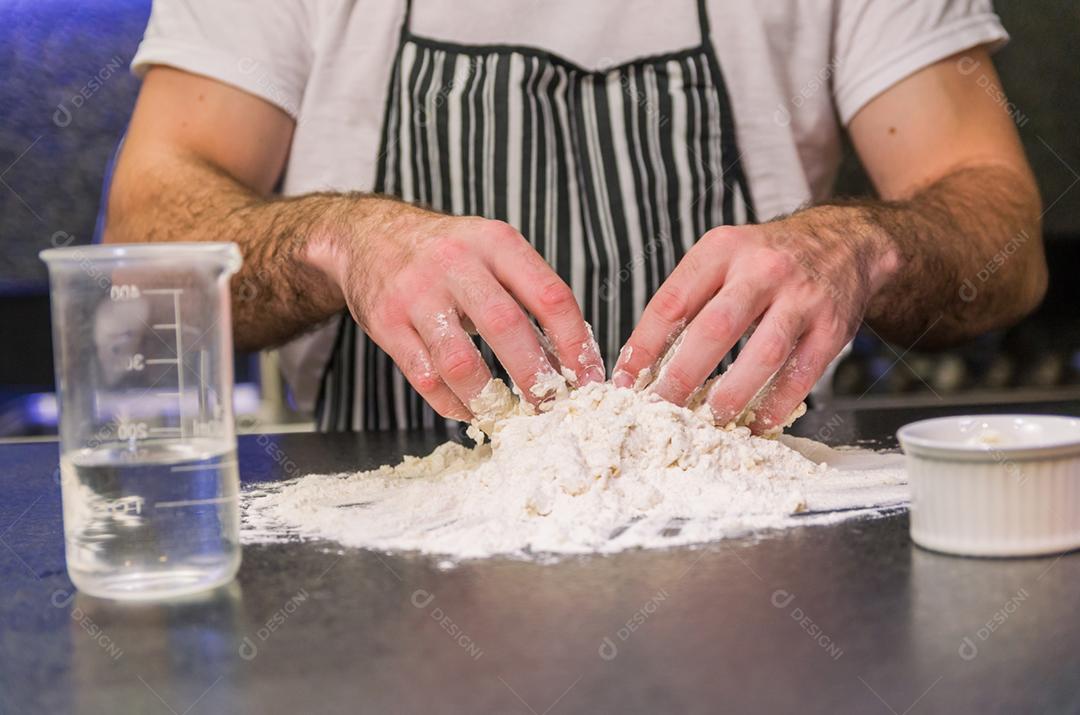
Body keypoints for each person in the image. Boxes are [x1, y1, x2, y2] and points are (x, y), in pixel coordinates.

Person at [105, 0, 1047, 433]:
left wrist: (857, 245)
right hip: (390, 552)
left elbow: (1004, 238)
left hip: (753, 558)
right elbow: (142, 248)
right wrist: (337, 238)